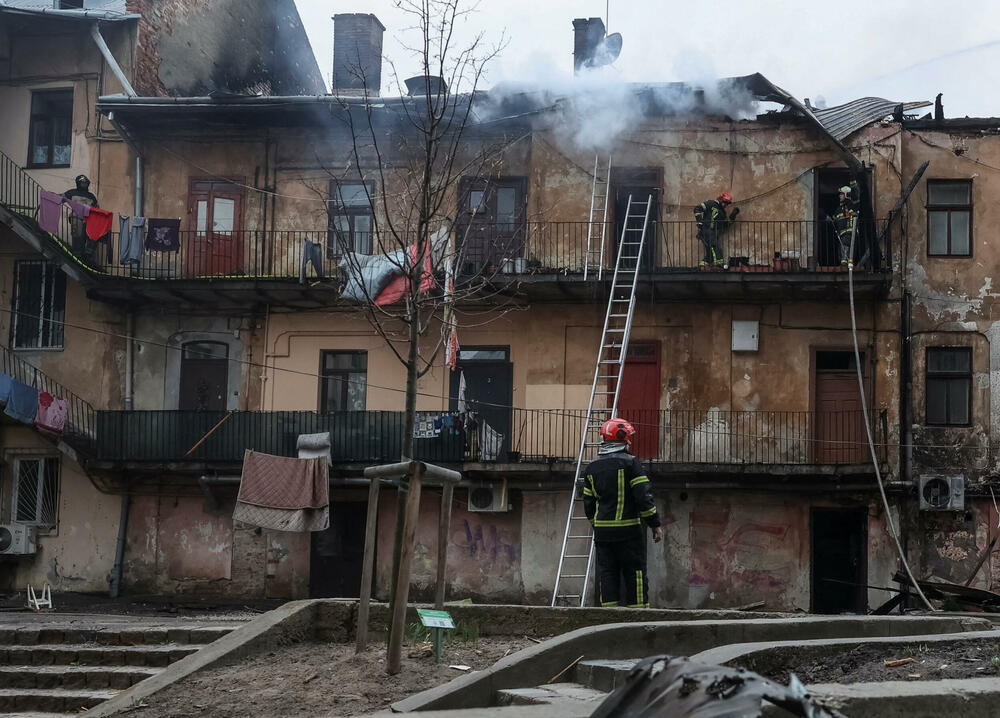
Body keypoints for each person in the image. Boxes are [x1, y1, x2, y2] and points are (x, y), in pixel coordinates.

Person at [582, 417, 662, 608]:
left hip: (602, 533)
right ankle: (639, 618)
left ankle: (609, 619)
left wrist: (597, 525)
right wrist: (654, 524)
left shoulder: (592, 468)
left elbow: (588, 504)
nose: (630, 442)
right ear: (622, 438)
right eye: (628, 438)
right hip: (628, 531)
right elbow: (643, 497)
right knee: (635, 573)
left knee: (607, 573)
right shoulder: (631, 464)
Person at [693, 192, 736, 268]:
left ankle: (703, 266)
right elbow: (697, 208)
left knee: (710, 254)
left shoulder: (723, 213)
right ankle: (719, 265)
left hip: (714, 233)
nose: (725, 205)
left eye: (727, 203)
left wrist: (733, 215)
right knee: (715, 247)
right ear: (720, 199)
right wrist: (700, 223)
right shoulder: (711, 203)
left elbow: (725, 225)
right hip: (706, 230)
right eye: (724, 202)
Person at [63, 174, 99, 261]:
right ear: (78, 183)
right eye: (82, 183)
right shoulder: (72, 192)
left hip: (89, 220)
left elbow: (97, 210)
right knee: (78, 236)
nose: (84, 184)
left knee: (93, 233)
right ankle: (77, 254)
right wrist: (50, 196)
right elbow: (60, 198)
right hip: (77, 219)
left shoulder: (91, 196)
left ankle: (88, 252)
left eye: (85, 183)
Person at [831, 183, 860, 267]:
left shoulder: (853, 205)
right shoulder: (839, 208)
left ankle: (845, 263)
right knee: (842, 249)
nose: (840, 196)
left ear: (846, 195)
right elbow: (834, 218)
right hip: (843, 234)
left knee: (846, 247)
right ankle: (845, 263)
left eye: (841, 194)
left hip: (851, 232)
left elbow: (855, 213)